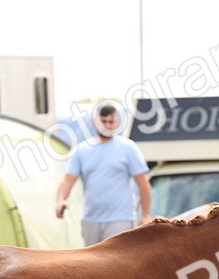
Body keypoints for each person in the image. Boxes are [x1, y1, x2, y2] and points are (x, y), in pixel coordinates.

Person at [56, 102, 152, 245]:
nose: (107, 125)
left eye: (111, 121)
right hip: (90, 220)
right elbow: (68, 179)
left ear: (116, 122)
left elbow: (143, 183)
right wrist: (61, 200)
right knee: (91, 259)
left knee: (118, 257)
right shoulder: (81, 150)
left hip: (120, 220)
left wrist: (145, 215)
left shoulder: (128, 148)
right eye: (103, 121)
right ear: (95, 122)